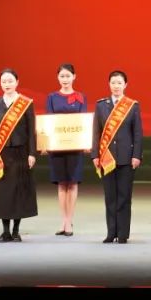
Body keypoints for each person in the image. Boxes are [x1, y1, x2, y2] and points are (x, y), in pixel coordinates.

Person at [91, 70, 143, 244]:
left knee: (124, 197)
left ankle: (122, 234)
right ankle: (110, 232)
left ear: (125, 85)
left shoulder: (132, 106)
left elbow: (137, 133)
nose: (116, 86)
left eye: (119, 83)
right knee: (110, 197)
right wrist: (95, 154)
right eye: (113, 82)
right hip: (106, 158)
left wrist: (136, 155)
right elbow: (96, 132)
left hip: (127, 158)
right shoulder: (101, 105)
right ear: (109, 84)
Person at [0, 69, 38, 242]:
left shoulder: (25, 103)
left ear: (17, 82)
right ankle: (5, 231)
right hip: (1, 154)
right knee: (3, 193)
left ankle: (16, 230)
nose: (7, 84)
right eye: (4, 81)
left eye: (10, 81)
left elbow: (31, 131)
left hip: (20, 152)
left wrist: (32, 153)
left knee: (19, 192)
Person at [45, 63, 86, 236]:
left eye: (68, 76)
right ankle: (63, 219)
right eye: (62, 76)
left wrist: (85, 142)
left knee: (73, 183)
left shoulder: (80, 97)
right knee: (62, 184)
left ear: (74, 77)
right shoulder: (52, 97)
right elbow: (48, 122)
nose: (65, 79)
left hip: (75, 146)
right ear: (57, 77)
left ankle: (70, 220)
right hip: (57, 147)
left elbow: (83, 122)